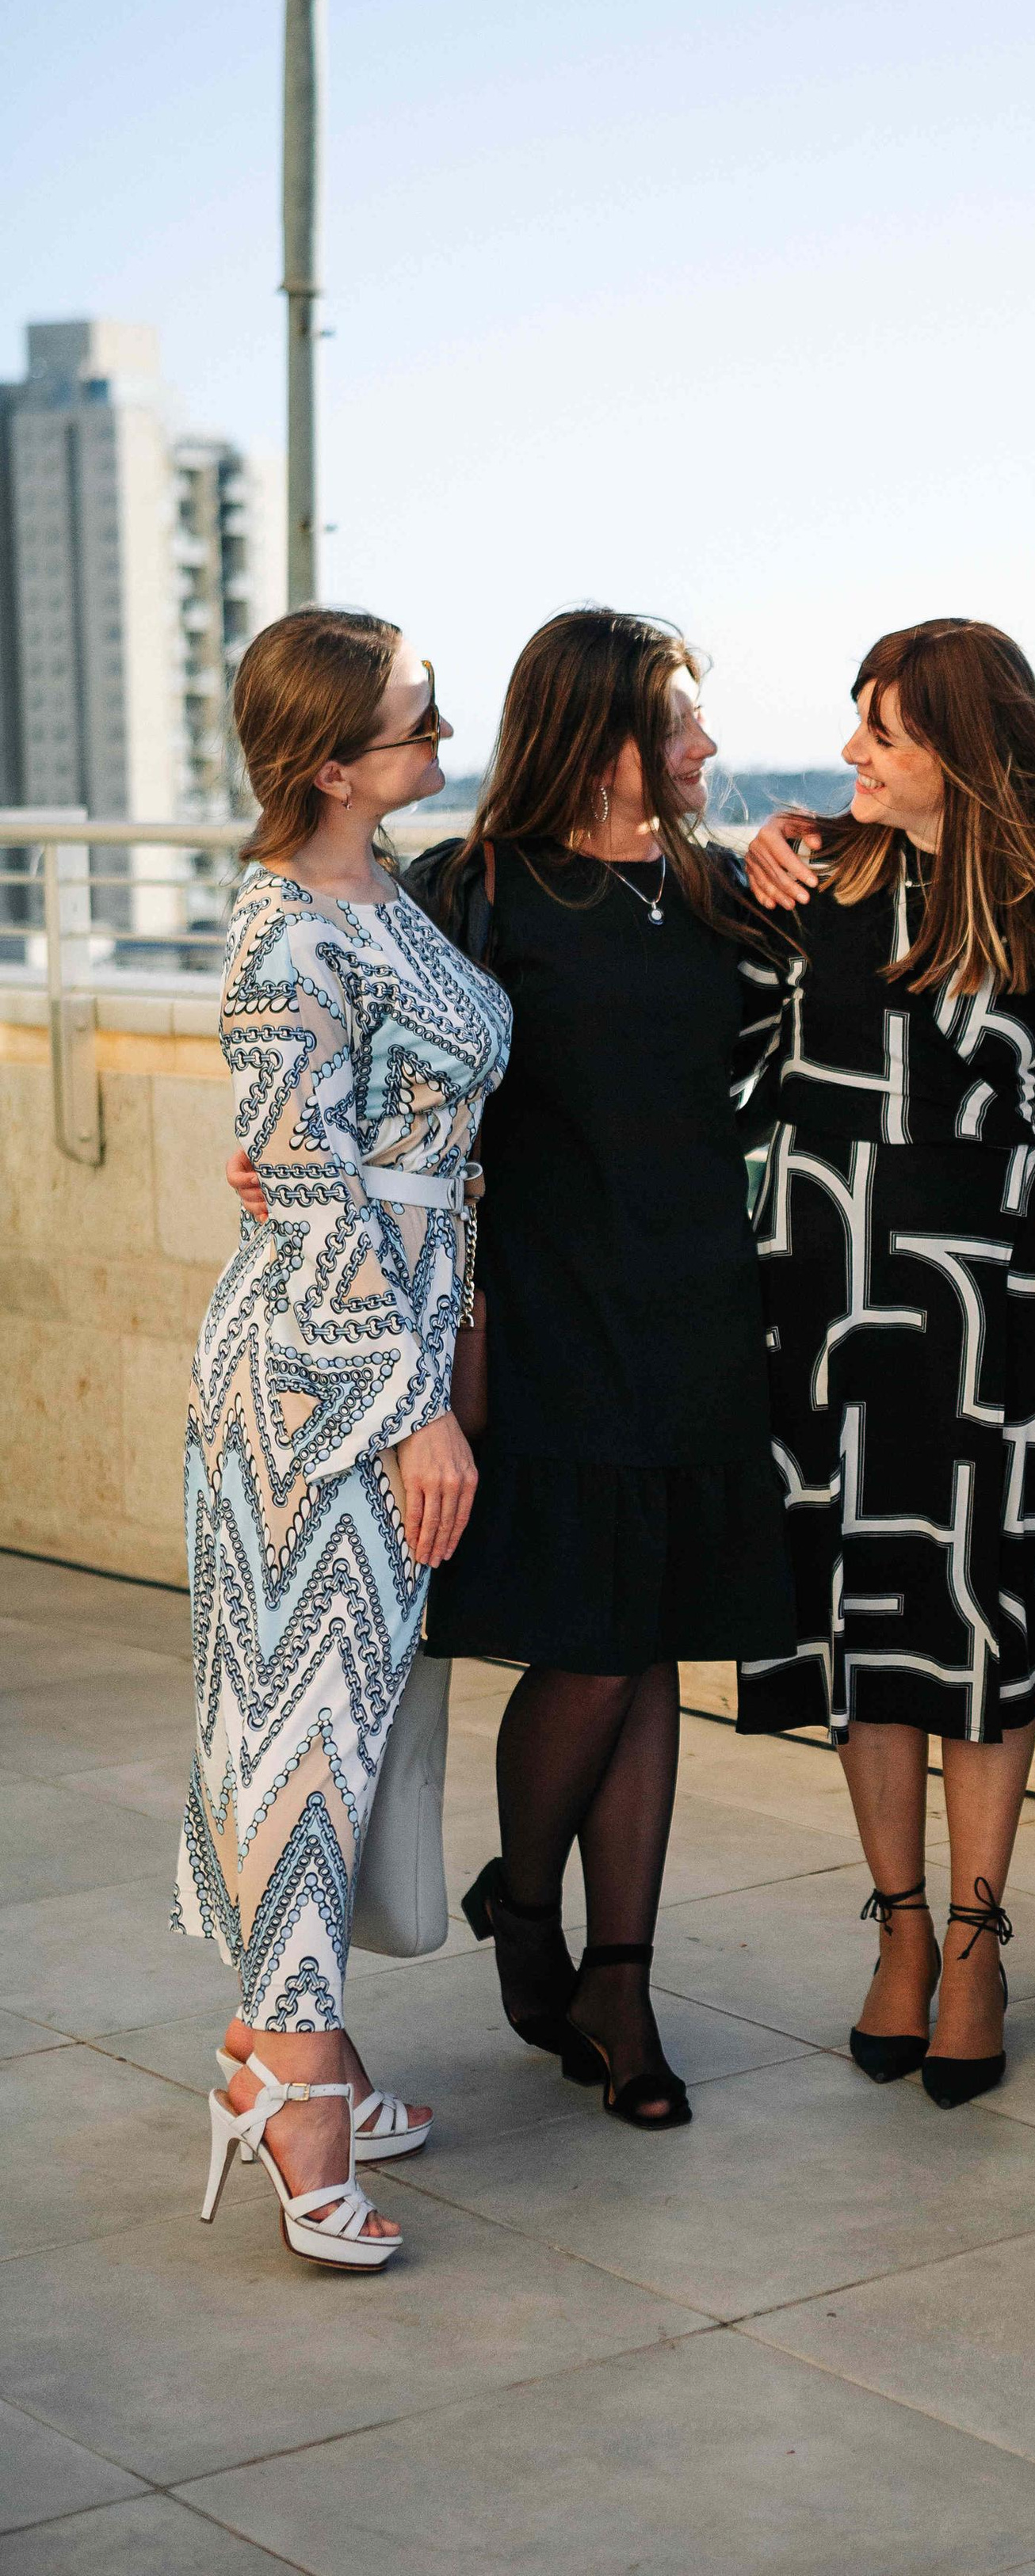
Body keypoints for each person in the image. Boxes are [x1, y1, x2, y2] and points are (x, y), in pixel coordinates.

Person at [231, 608, 795, 2133]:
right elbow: (363, 1080)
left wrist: (798, 856)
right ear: (599, 731)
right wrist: (278, 1160)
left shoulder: (721, 887)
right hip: (543, 1312)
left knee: (656, 1634)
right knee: (598, 1641)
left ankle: (620, 1976)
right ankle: (529, 1906)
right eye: (678, 721)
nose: (704, 748)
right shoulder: (466, 892)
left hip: (696, 1310)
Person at [739, 619, 1035, 2104]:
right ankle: (899, 1933)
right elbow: (715, 1068)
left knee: (981, 1622)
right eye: (856, 724)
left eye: (885, 735)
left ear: (964, 757)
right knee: (867, 1622)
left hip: (996, 1306)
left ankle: (979, 1941)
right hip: (832, 1295)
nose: (851, 753)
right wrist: (757, 850)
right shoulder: (809, 888)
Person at [181, 611, 509, 2269]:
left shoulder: (394, 890)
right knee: (302, 1728)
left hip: (396, 1324)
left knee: (345, 1724)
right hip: (318, 1384)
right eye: (413, 714)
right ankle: (293, 2092)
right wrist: (417, 1410)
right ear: (328, 761)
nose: (439, 726)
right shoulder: (276, 935)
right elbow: (304, 1191)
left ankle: (284, 2039)